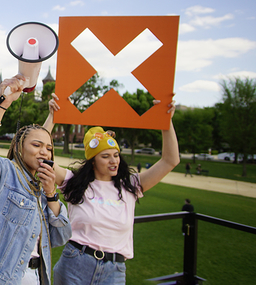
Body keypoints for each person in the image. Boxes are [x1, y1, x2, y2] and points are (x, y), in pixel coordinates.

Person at [45, 94, 179, 284]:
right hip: (75, 264)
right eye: (105, 156)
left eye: (116, 155)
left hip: (114, 271)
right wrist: (52, 117)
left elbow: (170, 161)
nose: (114, 160)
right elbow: (43, 160)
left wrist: (167, 121)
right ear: (93, 162)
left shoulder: (130, 185)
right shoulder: (74, 182)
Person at [0, 75, 71, 285]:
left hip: (35, 276)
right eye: (37, 146)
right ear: (20, 148)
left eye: (49, 148)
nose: (45, 152)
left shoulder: (42, 188)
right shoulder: (5, 172)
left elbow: (61, 235)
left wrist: (51, 194)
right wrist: (4, 104)